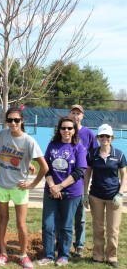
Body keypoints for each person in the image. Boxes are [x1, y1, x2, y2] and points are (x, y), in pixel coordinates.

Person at [0, 107, 49, 268]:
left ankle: (23, 255)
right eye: (9, 120)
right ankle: (3, 253)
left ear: (22, 121)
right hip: (2, 185)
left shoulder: (29, 141)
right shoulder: (2, 134)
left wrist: (32, 184)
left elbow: (44, 167)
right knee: (3, 220)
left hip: (20, 188)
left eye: (16, 120)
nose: (13, 123)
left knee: (21, 224)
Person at [37, 116, 87, 266]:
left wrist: (60, 187)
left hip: (71, 193)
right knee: (48, 225)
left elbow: (79, 171)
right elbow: (46, 167)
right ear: (59, 129)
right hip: (51, 191)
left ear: (74, 130)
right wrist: (53, 186)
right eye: (63, 128)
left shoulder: (78, 147)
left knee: (65, 225)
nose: (66, 130)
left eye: (69, 128)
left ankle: (63, 255)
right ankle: (48, 255)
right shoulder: (53, 145)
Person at [84, 124, 126, 268]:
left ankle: (112, 257)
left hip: (114, 197)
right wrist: (85, 193)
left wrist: (120, 194)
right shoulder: (92, 154)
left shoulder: (119, 154)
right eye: (102, 136)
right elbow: (87, 173)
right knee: (98, 228)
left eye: (107, 136)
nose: (104, 138)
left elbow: (124, 175)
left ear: (112, 138)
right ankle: (98, 255)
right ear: (98, 137)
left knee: (113, 229)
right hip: (96, 196)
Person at [68, 104, 98, 256]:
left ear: (82, 116)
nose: (75, 116)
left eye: (78, 113)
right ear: (69, 114)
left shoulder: (88, 133)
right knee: (64, 215)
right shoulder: (65, 131)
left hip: (81, 179)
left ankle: (79, 246)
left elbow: (94, 155)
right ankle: (63, 243)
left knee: (80, 216)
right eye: (73, 113)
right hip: (65, 177)